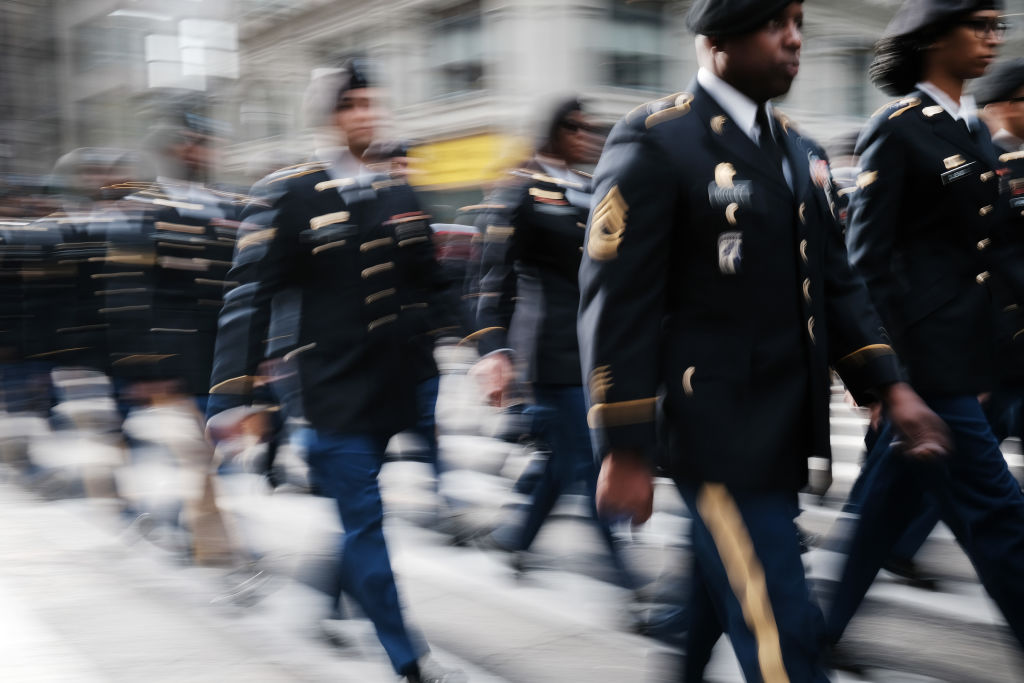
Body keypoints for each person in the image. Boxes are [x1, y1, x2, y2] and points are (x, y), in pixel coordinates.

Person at [577, 1, 951, 679]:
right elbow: (616, 302)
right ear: (717, 40)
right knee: (785, 634)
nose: (795, 37)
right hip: (714, 433)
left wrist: (888, 386)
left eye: (799, 19)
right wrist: (623, 446)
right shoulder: (659, 141)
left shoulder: (798, 150)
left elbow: (837, 285)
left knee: (713, 594)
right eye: (775, 22)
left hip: (783, 425)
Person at [206, 60, 461, 683]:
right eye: (353, 105)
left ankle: (321, 600)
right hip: (332, 392)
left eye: (373, 103)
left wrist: (489, 348)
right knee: (367, 525)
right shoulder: (289, 192)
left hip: (394, 387)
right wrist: (231, 396)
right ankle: (409, 660)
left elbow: (432, 282)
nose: (368, 115)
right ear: (329, 115)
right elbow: (248, 296)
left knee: (359, 520)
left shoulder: (397, 191)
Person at [828, 0, 1024, 653]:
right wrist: (887, 380)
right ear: (933, 39)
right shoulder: (898, 128)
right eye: (981, 25)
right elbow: (866, 265)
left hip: (968, 359)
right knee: (1000, 512)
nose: (993, 38)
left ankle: (820, 632)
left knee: (885, 507)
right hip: (926, 364)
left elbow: (993, 253)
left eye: (998, 25)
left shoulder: (970, 131)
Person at [466, 97, 637, 585]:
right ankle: (628, 581)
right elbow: (490, 279)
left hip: (596, 348)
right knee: (587, 459)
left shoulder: (592, 189)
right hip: (549, 350)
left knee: (563, 462)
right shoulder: (520, 191)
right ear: (551, 131)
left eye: (588, 127)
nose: (584, 135)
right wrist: (494, 350)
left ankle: (515, 539)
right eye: (572, 126)